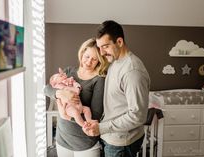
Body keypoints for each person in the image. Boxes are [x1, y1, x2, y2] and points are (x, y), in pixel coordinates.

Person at [82, 20, 151, 157]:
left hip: (122, 143)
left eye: (106, 46)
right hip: (112, 137)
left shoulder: (132, 71)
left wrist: (101, 128)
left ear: (119, 42)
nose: (101, 52)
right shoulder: (115, 61)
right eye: (100, 47)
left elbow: (137, 115)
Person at [44, 38, 109, 157]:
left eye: (94, 59)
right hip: (63, 138)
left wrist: (67, 117)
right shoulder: (69, 71)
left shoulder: (98, 79)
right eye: (87, 56)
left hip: (85, 142)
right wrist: (60, 93)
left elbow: (96, 114)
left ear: (99, 61)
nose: (89, 62)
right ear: (82, 53)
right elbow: (47, 89)